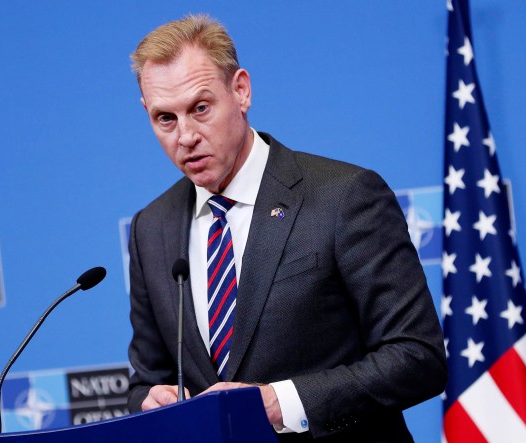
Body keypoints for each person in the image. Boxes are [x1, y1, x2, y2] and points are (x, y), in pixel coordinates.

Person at [126, 14, 447, 442]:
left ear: (241, 90)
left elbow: (418, 356)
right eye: (165, 119)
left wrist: (285, 402)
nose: (185, 136)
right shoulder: (153, 228)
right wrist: (153, 399)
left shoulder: (344, 196)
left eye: (200, 108)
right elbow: (144, 380)